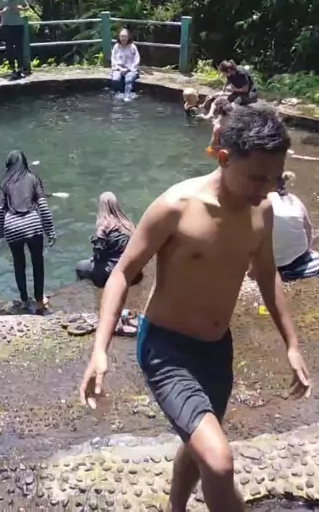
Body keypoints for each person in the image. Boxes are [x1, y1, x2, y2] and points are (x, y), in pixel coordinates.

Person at [80, 104, 310, 512]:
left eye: (274, 178)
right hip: (166, 350)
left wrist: (291, 344)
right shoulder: (177, 206)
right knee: (219, 463)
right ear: (224, 158)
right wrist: (99, 349)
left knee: (198, 442)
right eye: (256, 177)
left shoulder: (262, 210)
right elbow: (122, 273)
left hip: (217, 350)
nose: (265, 188)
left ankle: (176, 508)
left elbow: (266, 274)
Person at [0, 150, 55, 312]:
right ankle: (39, 300)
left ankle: (24, 301)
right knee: (37, 262)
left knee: (18, 263)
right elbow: (43, 207)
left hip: (12, 226)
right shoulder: (33, 179)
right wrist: (50, 231)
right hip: (33, 224)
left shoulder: (3, 182)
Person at [75, 192, 142, 288]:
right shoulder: (129, 225)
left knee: (80, 266)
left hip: (112, 273)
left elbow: (99, 256)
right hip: (132, 271)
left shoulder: (103, 226)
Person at [270, 172, 319, 282]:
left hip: (269, 262)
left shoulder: (259, 202)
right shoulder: (294, 199)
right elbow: (308, 228)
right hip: (298, 260)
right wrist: (308, 250)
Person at [0, 0, 29, 80]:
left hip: (18, 25)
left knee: (19, 47)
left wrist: (21, 9)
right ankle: (12, 69)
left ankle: (21, 69)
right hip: (6, 25)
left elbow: (27, 9)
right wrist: (3, 11)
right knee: (9, 47)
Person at [110, 28, 140, 100]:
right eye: (122, 36)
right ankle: (118, 94)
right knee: (115, 79)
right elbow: (113, 59)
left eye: (125, 36)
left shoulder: (132, 47)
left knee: (128, 79)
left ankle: (127, 96)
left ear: (128, 37)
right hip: (118, 68)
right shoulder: (116, 47)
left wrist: (130, 69)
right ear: (119, 37)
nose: (123, 38)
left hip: (130, 69)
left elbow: (136, 60)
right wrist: (119, 68)